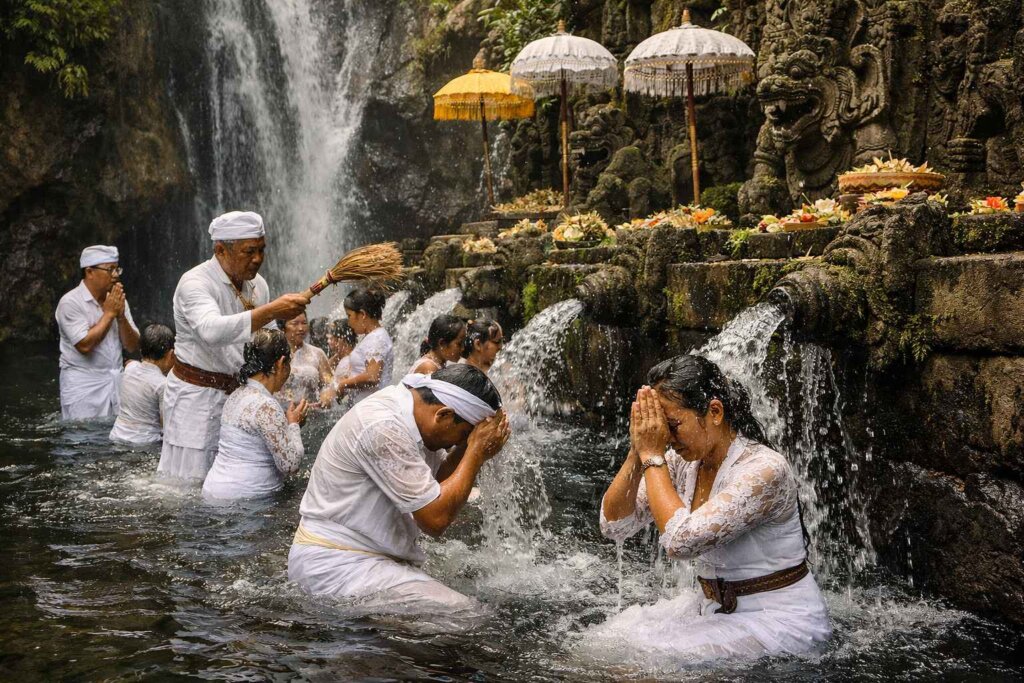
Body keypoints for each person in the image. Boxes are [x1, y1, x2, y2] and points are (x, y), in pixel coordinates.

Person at [594, 355, 831, 663]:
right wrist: (638, 450)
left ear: (714, 412)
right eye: (658, 426)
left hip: (778, 619)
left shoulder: (764, 470)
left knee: (647, 660)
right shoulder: (683, 464)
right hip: (713, 609)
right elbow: (614, 525)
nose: (665, 436)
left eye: (672, 425)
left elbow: (682, 542)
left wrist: (652, 454)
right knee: (605, 639)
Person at [288, 364, 510, 612]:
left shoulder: (415, 410)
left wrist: (470, 447)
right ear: (443, 415)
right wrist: (475, 452)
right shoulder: (383, 427)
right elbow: (434, 520)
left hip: (366, 555)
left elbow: (433, 487)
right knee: (466, 614)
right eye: (463, 436)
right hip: (337, 561)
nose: (461, 443)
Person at [158, 211, 309, 481]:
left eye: (262, 250)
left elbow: (266, 336)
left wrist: (281, 374)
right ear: (220, 250)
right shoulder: (195, 283)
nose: (258, 259)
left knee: (232, 478)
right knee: (188, 483)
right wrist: (272, 310)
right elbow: (210, 330)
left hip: (240, 398)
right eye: (249, 251)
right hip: (197, 397)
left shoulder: (257, 285)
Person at [202, 329, 308, 501]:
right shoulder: (266, 406)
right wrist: (294, 424)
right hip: (248, 498)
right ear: (281, 363)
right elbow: (290, 465)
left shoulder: (235, 395)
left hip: (213, 490)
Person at [55, 245, 140, 419]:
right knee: (84, 439)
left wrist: (121, 316)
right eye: (110, 269)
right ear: (90, 272)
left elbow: (133, 346)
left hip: (116, 384)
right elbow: (84, 345)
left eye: (117, 269)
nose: (116, 275)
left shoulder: (117, 299)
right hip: (83, 387)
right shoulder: (70, 302)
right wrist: (109, 314)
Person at [320, 287, 393, 407]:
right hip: (366, 407)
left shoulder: (377, 338)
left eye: (349, 316)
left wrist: (342, 384)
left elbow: (372, 376)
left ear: (362, 314)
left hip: (372, 409)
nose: (348, 323)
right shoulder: (372, 336)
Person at [109, 324, 175, 445]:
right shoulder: (162, 384)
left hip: (117, 436)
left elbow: (131, 363)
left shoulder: (129, 368)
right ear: (171, 354)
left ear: (141, 350)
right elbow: (166, 424)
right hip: (145, 442)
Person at [277, 313, 333, 404]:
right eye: (295, 324)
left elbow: (329, 381)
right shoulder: (275, 353)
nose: (301, 328)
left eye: (304, 323)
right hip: (282, 411)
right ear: (283, 327)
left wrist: (326, 394)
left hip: (311, 411)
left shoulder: (317, 353)